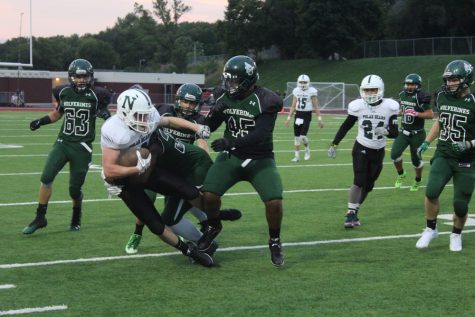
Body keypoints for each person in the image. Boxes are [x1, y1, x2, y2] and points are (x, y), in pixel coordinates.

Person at [101, 88, 214, 267]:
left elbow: (167, 120)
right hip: (125, 180)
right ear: (125, 114)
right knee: (155, 223)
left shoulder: (150, 116)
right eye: (139, 116)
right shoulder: (115, 131)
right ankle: (187, 249)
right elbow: (109, 170)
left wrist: (197, 128)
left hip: (149, 167)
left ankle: (213, 223)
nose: (145, 120)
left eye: (146, 115)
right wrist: (135, 169)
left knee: (188, 190)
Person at [124, 83, 241, 254]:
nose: (188, 106)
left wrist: (203, 154)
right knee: (144, 201)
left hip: (179, 169)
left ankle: (208, 227)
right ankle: (137, 233)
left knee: (186, 203)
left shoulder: (199, 120)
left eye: (192, 103)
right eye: (185, 102)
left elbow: (201, 144)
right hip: (154, 165)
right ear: (178, 100)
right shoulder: (163, 110)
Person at [197, 55, 285, 267]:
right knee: (209, 194)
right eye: (228, 79)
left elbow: (261, 134)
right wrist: (192, 120)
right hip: (232, 158)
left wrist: (231, 143)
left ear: (247, 80)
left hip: (259, 159)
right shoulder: (224, 98)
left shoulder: (266, 100)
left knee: (274, 201)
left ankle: (274, 241)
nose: (229, 84)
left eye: (234, 80)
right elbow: (210, 124)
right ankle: (213, 225)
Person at [22, 59, 112, 234]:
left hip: (82, 148)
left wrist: (105, 114)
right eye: (77, 77)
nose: (81, 80)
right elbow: (58, 114)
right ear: (71, 77)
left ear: (90, 77)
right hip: (62, 143)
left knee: (74, 190)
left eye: (84, 76)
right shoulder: (63, 92)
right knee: (46, 177)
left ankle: (76, 214)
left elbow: (108, 117)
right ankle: (40, 217)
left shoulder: (97, 95)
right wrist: (40, 122)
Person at [415, 60, 475, 252]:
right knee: (431, 191)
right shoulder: (441, 95)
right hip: (444, 153)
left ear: (466, 79)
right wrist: (427, 141)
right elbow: (441, 122)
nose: (450, 84)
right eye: (448, 80)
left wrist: (469, 143)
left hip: (467, 159)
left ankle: (456, 234)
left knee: (460, 205)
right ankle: (431, 229)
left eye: (455, 79)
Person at [327, 74, 399, 229]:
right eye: (367, 90)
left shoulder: (390, 106)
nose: (370, 94)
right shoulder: (358, 106)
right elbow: (346, 126)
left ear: (380, 90)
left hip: (378, 150)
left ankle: (355, 210)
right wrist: (334, 143)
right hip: (361, 147)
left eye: (373, 90)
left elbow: (395, 132)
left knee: (369, 185)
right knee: (359, 180)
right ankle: (350, 213)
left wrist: (386, 131)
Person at [391, 74, 434, 191]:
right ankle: (401, 174)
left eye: (412, 84)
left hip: (417, 134)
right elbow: (402, 110)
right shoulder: (402, 95)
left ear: (417, 86)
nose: (409, 87)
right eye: (408, 84)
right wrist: (394, 113)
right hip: (403, 132)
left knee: (416, 160)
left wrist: (416, 114)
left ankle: (417, 180)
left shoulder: (420, 97)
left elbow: (430, 115)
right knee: (394, 155)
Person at [285, 74, 324, 161]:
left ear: (308, 82)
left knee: (303, 136)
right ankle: (297, 156)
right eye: (301, 82)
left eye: (304, 82)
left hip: (307, 114)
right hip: (298, 114)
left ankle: (307, 149)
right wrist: (288, 118)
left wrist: (319, 119)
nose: (303, 84)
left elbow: (316, 105)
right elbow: (293, 105)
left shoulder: (312, 91)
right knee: (296, 137)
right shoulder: (296, 91)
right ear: (298, 82)